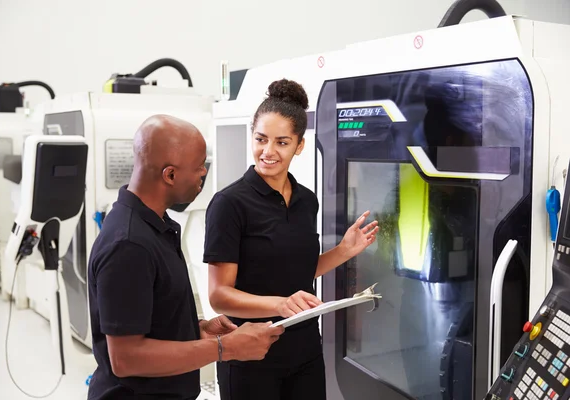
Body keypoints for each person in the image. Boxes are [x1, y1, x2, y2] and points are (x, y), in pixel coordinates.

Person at [203, 79, 380, 400]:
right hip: (250, 350)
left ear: (299, 145)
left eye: (282, 142)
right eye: (260, 139)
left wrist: (344, 250)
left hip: (305, 349)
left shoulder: (305, 200)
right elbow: (219, 295)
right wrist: (279, 304)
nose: (268, 152)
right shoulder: (229, 204)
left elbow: (296, 272)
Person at [87, 114, 285, 400]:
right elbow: (126, 358)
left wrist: (197, 331)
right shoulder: (129, 245)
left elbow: (150, 322)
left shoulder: (157, 227)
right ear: (170, 175)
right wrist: (225, 348)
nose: (204, 173)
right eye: (199, 168)